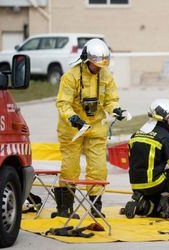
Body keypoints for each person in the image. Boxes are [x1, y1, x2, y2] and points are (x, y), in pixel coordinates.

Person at [54, 38, 125, 219]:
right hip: (72, 130)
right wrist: (73, 119)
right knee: (70, 168)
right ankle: (65, 209)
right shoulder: (70, 77)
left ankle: (96, 208)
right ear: (86, 60)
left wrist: (115, 109)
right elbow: (63, 103)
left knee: (99, 169)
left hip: (96, 127)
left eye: (101, 64)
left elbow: (111, 99)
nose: (98, 68)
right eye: (95, 64)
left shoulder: (106, 75)